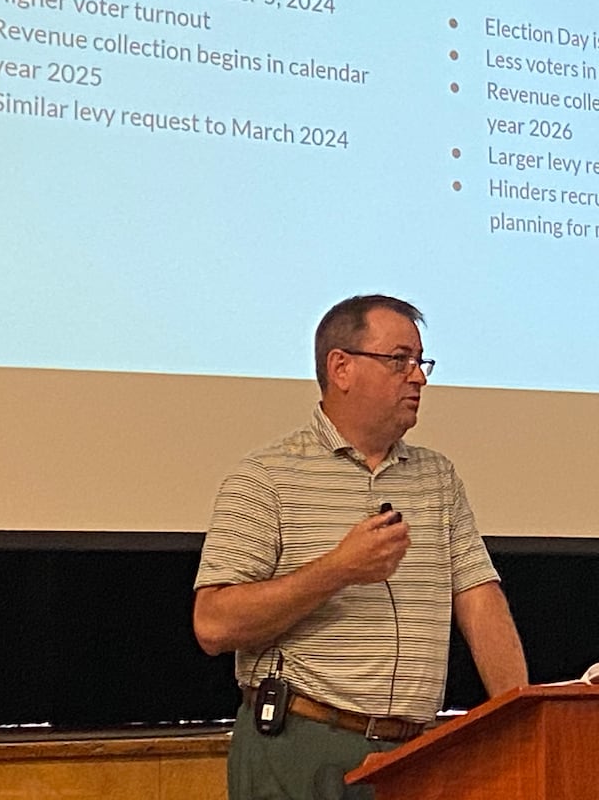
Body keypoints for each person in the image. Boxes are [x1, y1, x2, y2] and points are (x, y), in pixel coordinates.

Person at [193, 294, 527, 800]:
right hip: (301, 747)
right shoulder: (266, 477)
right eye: (399, 360)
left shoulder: (437, 477)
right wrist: (338, 569)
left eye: (420, 362)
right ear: (341, 367)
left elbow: (479, 599)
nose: (418, 377)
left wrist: (522, 716)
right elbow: (214, 624)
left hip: (415, 754)